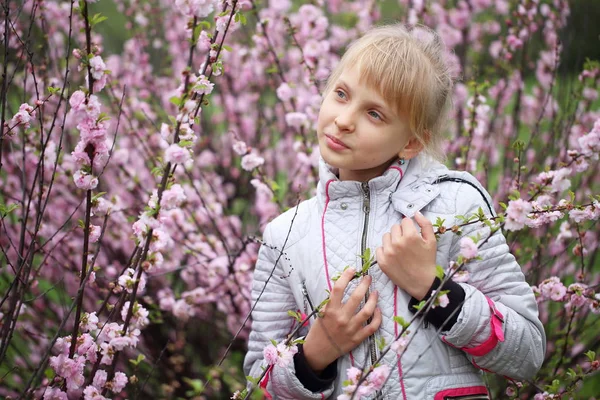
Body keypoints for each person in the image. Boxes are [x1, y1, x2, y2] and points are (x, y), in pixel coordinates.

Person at [243, 23, 545, 400]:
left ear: (412, 142)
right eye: (340, 94)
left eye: (374, 114)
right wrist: (316, 353)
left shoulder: (456, 205)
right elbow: (260, 382)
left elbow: (529, 352)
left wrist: (434, 291)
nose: (344, 120)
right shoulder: (284, 236)